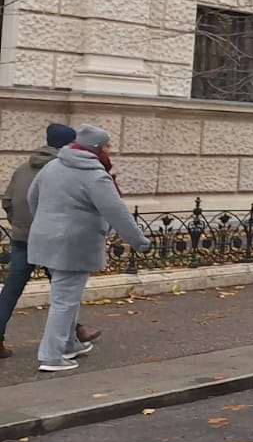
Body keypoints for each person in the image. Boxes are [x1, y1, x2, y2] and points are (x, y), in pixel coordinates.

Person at [27, 124, 150, 373]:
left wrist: (44, 224)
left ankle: (70, 343)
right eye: (107, 146)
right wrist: (139, 241)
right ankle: (51, 356)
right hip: (75, 244)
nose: (110, 150)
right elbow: (116, 211)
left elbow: (32, 197)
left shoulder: (52, 166)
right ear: (95, 148)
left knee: (67, 296)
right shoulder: (95, 175)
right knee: (64, 300)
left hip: (46, 240)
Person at [1, 124, 103, 359]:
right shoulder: (63, 169)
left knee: (12, 289)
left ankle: (75, 333)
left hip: (21, 237)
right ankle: (71, 338)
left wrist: (19, 224)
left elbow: (8, 200)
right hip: (53, 239)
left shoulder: (23, 168)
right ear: (69, 144)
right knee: (65, 292)